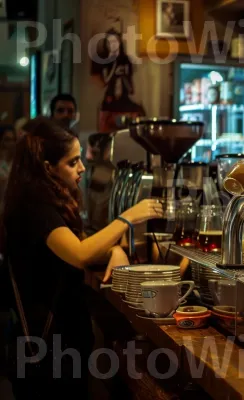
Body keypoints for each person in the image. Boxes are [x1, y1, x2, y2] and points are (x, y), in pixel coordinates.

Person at [0, 117, 163, 397]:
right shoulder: (35, 208)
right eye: (72, 162)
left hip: (56, 344)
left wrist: (115, 249)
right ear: (47, 167)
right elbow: (79, 254)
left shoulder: (45, 200)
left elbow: (79, 244)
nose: (82, 168)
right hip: (46, 348)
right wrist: (128, 217)